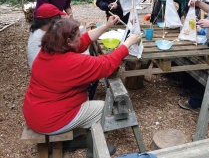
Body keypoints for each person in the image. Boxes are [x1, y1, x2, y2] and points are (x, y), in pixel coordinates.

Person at [23, 17, 140, 157]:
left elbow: (83, 41)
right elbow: (106, 65)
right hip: (49, 121)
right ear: (68, 41)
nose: (81, 37)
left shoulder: (49, 50)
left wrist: (106, 26)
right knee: (103, 108)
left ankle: (74, 139)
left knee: (85, 99)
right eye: (77, 36)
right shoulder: (71, 62)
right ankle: (93, 150)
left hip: (34, 112)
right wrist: (127, 44)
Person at [27, 3, 67, 69]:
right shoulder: (44, 36)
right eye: (58, 18)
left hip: (37, 69)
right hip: (45, 70)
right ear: (53, 20)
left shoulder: (37, 31)